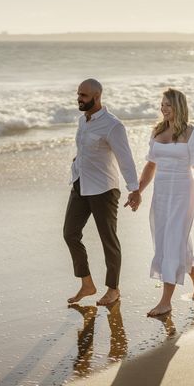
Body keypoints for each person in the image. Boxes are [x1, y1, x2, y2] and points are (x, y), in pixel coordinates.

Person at [64, 78, 142, 306]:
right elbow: (84, 149)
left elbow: (125, 158)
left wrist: (134, 189)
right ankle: (87, 284)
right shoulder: (82, 120)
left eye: (84, 96)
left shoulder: (113, 125)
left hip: (104, 190)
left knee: (108, 239)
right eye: (78, 94)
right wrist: (77, 163)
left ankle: (113, 289)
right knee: (70, 233)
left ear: (97, 97)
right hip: (80, 185)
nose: (79, 99)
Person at [137, 88, 194, 316]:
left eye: (168, 104)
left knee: (172, 241)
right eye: (162, 104)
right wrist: (138, 190)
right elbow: (151, 165)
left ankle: (166, 301)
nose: (163, 108)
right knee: (168, 240)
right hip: (161, 193)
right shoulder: (157, 132)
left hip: (182, 193)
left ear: (179, 106)